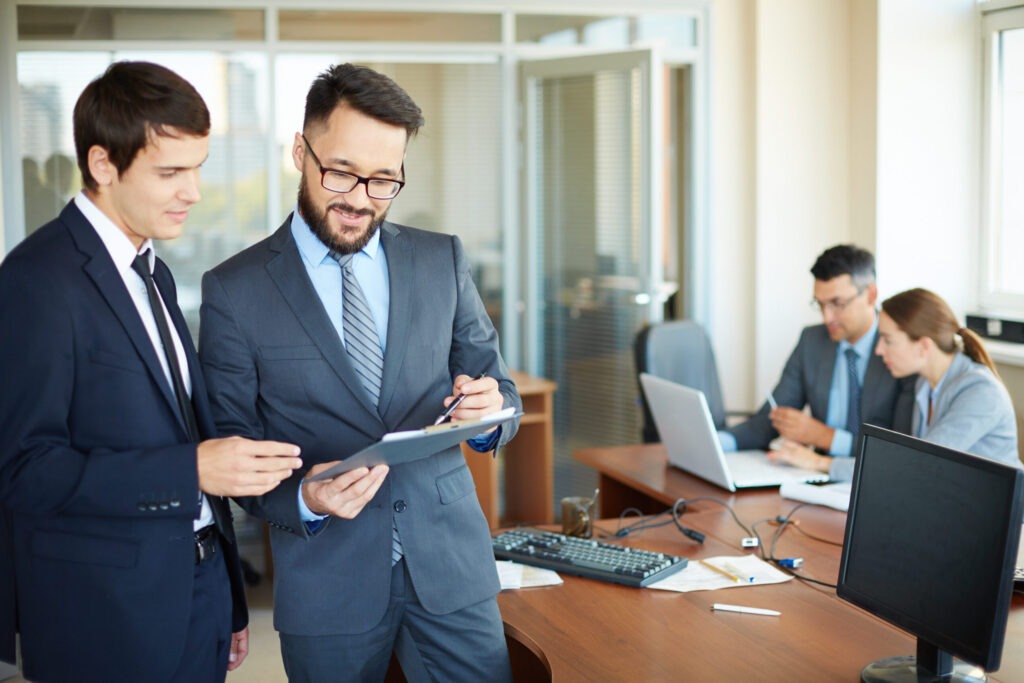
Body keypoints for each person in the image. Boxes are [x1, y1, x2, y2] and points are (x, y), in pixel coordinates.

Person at [198, 63, 522, 682]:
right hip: (327, 580)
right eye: (341, 172)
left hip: (452, 569)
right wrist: (305, 497)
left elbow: (500, 393)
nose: (359, 199)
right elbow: (231, 450)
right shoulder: (234, 292)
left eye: (384, 181)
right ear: (301, 150)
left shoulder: (440, 259)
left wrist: (486, 417)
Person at [0, 61, 303, 683]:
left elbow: (178, 426)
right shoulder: (36, 281)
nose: (193, 192)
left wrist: (226, 598)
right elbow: (23, 470)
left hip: (197, 595)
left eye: (197, 168)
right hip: (103, 616)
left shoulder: (153, 271)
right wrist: (190, 469)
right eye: (170, 172)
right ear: (103, 164)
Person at [774, 288, 1020, 479]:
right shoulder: (924, 386)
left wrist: (820, 463)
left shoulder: (979, 392)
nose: (879, 351)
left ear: (923, 346)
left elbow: (915, 465)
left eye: (887, 340)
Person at [719, 244, 914, 476]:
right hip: (814, 479)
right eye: (820, 304)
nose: (827, 316)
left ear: (870, 294)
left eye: (837, 304)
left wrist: (824, 437)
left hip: (875, 479)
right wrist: (715, 442)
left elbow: (901, 449)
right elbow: (770, 420)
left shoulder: (901, 347)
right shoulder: (812, 341)